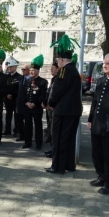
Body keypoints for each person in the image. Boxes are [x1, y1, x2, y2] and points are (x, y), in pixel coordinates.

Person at [46, 35, 82, 174]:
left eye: (58, 60)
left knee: (59, 138)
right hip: (74, 111)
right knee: (69, 138)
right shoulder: (74, 70)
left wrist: (51, 103)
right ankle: (68, 164)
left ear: (61, 59)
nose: (57, 63)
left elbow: (58, 90)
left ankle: (57, 166)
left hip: (62, 111)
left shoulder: (64, 71)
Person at [87, 54, 109, 195]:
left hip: (107, 124)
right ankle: (101, 176)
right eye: (104, 63)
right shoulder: (101, 81)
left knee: (107, 155)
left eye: (107, 63)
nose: (105, 65)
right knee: (97, 152)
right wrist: (90, 119)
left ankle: (108, 182)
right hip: (97, 122)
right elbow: (95, 102)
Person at [21, 55, 48, 150]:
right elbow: (23, 93)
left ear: (38, 71)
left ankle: (38, 143)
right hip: (27, 107)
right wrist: (26, 103)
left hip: (36, 108)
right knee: (27, 125)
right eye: (31, 70)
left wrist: (35, 103)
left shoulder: (42, 82)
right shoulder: (27, 81)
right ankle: (27, 142)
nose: (31, 72)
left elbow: (43, 95)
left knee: (37, 125)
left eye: (33, 70)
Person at [42, 61, 59, 158]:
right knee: (50, 129)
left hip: (53, 108)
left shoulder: (58, 80)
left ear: (58, 69)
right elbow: (48, 93)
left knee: (54, 130)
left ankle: (54, 150)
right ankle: (52, 148)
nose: (51, 70)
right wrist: (44, 102)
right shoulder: (53, 79)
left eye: (53, 68)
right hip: (49, 108)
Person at [2, 59, 22, 136]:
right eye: (8, 67)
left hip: (15, 99)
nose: (9, 68)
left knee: (16, 115)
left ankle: (16, 130)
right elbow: (4, 87)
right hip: (7, 99)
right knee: (8, 115)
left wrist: (12, 95)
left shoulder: (19, 77)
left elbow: (19, 89)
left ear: (15, 67)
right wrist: (7, 94)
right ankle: (7, 129)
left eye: (11, 67)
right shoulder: (6, 77)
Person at [15, 64, 31, 141]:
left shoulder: (31, 79)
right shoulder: (20, 78)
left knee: (27, 121)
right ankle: (20, 135)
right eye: (22, 70)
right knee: (19, 120)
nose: (23, 71)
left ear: (29, 70)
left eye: (24, 70)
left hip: (27, 103)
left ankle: (27, 136)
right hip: (19, 102)